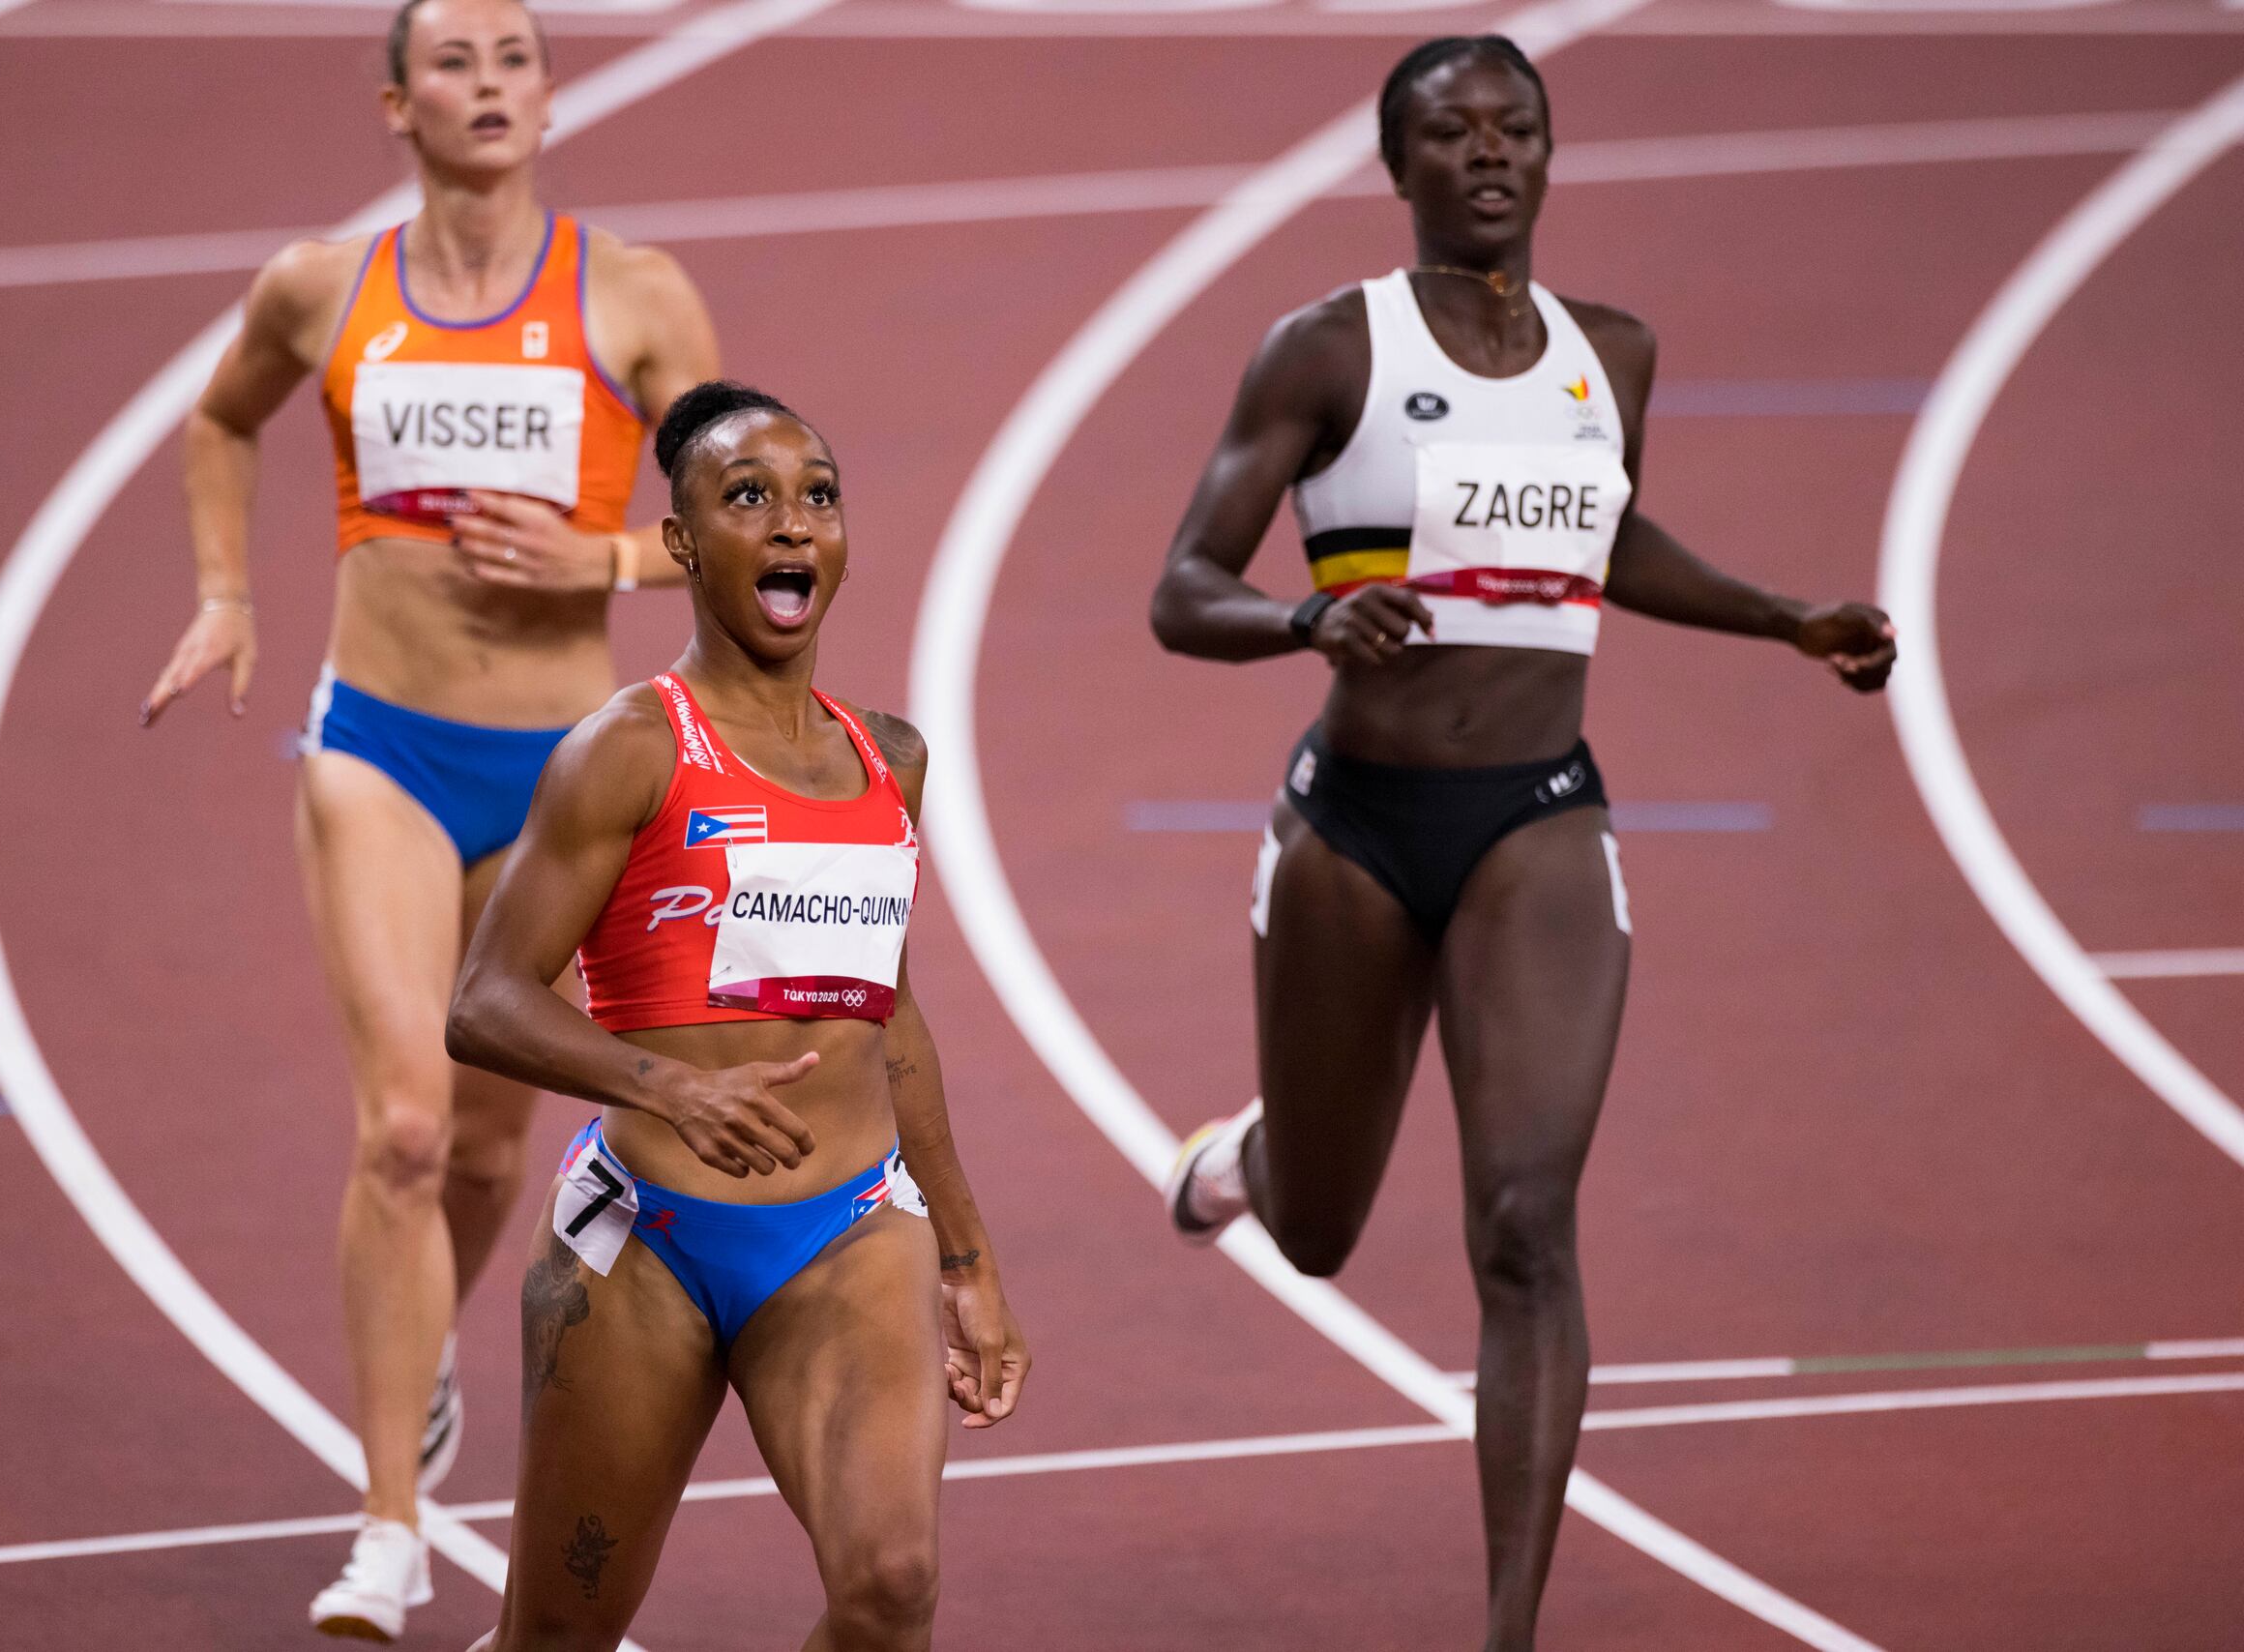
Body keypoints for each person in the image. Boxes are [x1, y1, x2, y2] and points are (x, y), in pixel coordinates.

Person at [1152, 35, 1895, 1650]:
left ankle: (1507, 1631)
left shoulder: (1609, 353)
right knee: (1328, 1232)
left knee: (1523, 1224)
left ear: (1551, 157)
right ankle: (1259, 1155)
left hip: (1537, 820)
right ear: (1396, 161)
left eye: (1518, 129)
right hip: (1352, 827)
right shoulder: (1328, 350)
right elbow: (1181, 588)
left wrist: (1787, 619)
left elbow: (1606, 530)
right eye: (1452, 132)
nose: (1490, 154)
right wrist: (1305, 615)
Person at [137, 0, 720, 1635]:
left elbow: (744, 507)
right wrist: (228, 593)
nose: (486, 85)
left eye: (513, 58)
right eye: (452, 63)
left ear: (549, 95)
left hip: (558, 778)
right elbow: (217, 417)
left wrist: (599, 560)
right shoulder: (326, 287)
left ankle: (424, 1356)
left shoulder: (636, 294)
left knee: (481, 1141)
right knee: (400, 1126)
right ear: (396, 102)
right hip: (377, 748)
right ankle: (387, 1528)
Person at [445, 381, 1029, 1652]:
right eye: (746, 498)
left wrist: (970, 1266)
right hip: (645, 1245)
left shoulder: (893, 757)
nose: (788, 526)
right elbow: (483, 1001)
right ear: (680, 545)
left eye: (816, 497)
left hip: (851, 1237)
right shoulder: (629, 748)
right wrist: (667, 1088)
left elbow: (895, 1018)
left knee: (888, 1597)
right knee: (555, 1636)